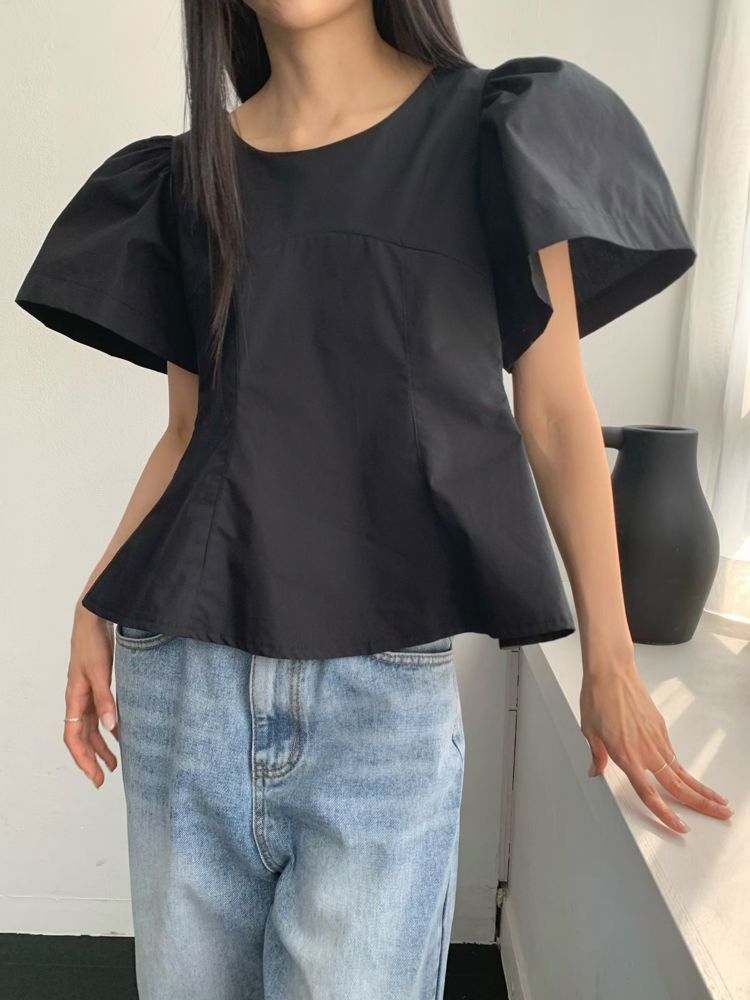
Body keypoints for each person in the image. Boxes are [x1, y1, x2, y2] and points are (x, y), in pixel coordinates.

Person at [14, 1, 731, 997]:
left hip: (380, 702)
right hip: (185, 686)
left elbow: (558, 412)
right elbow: (189, 432)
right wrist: (97, 604)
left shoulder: (493, 133)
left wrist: (610, 659)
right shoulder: (189, 179)